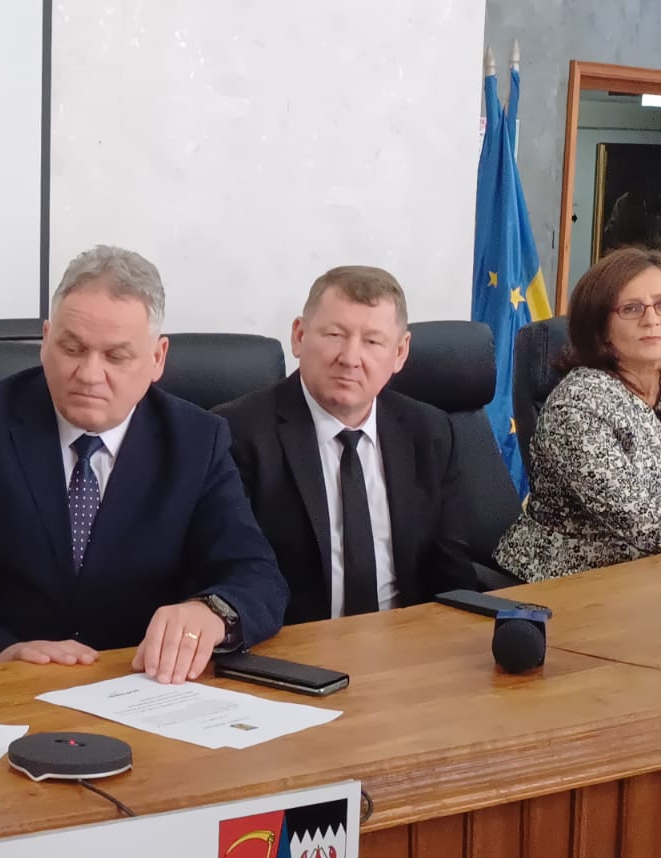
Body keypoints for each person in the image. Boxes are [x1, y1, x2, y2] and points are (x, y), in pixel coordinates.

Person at [0, 245, 288, 684]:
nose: (88, 374)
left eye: (116, 356)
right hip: (4, 685)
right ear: (46, 340)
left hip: (137, 685)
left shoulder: (196, 440)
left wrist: (210, 613)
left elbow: (258, 576)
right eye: (72, 348)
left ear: (157, 359)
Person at [217, 266, 475, 624]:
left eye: (372, 342)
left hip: (408, 639)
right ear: (299, 336)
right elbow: (232, 578)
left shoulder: (430, 432)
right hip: (293, 644)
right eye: (335, 335)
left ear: (400, 352)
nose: (350, 358)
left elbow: (452, 574)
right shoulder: (236, 434)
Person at [494, 247, 661, 581]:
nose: (652, 319)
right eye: (632, 308)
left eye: (660, 305)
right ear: (600, 328)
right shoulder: (577, 406)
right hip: (568, 584)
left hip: (640, 577)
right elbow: (645, 526)